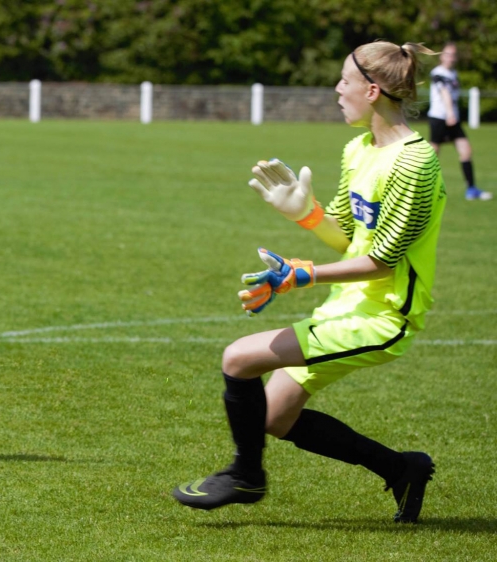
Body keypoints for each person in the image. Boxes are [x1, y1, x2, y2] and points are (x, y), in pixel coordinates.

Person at [171, 41, 445, 524]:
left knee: (238, 358)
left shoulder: (413, 163)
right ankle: (402, 469)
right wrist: (305, 214)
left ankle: (246, 475)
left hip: (384, 317)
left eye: (345, 80)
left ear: (372, 90)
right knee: (274, 416)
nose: (337, 89)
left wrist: (303, 274)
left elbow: (382, 261)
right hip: (347, 306)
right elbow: (347, 238)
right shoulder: (358, 149)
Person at [428, 42, 491, 201]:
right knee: (432, 155)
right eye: (447, 54)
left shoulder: (454, 74)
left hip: (453, 119)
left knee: (466, 150)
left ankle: (471, 189)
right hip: (439, 118)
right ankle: (425, 188)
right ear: (442, 56)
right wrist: (450, 113)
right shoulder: (438, 73)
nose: (451, 58)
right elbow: (444, 93)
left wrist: (453, 115)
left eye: (453, 55)